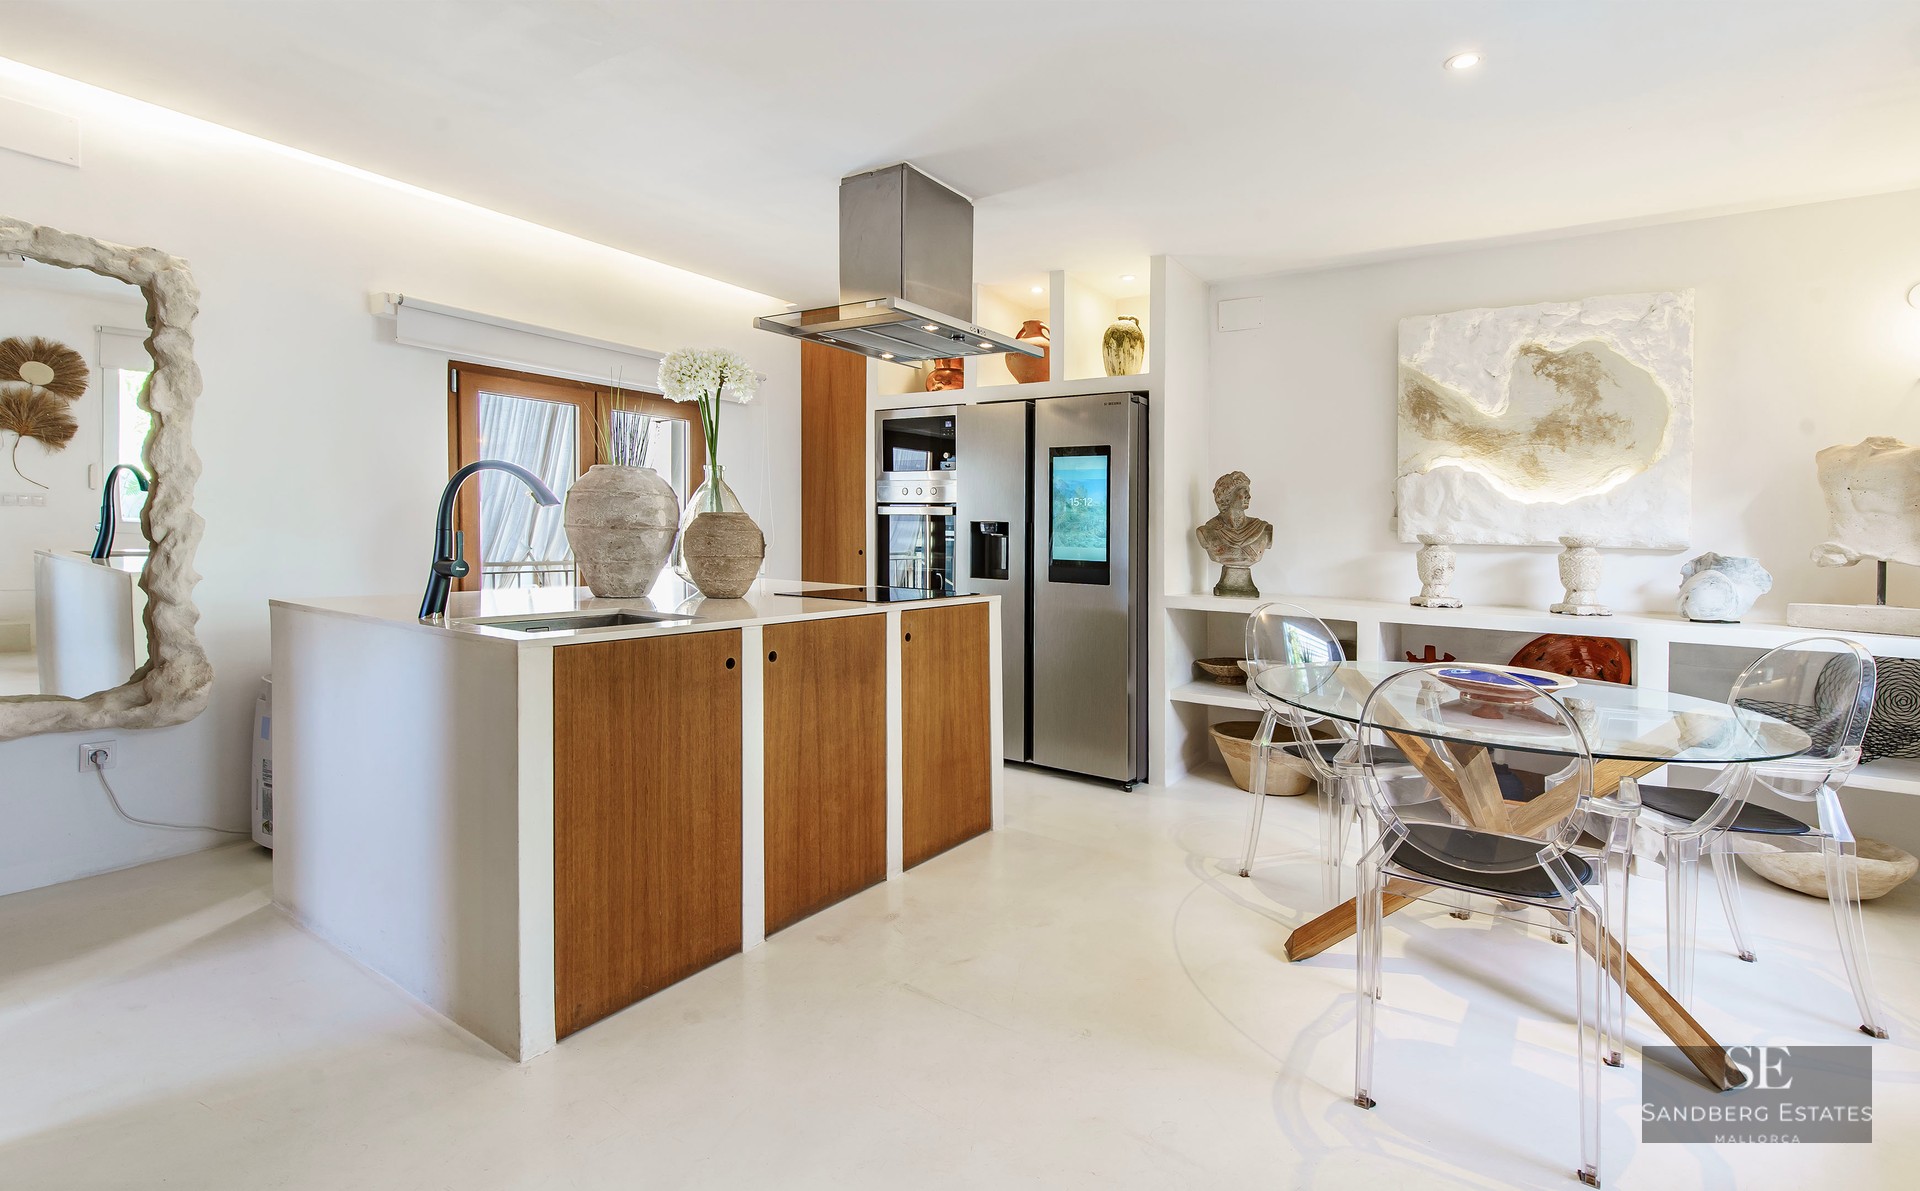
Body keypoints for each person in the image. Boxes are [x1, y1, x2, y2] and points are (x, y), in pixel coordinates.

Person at [1195, 470, 1272, 597]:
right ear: (1227, 496)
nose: (1249, 496)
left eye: (1248, 491)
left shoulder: (1262, 529)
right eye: (1243, 491)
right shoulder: (1207, 531)